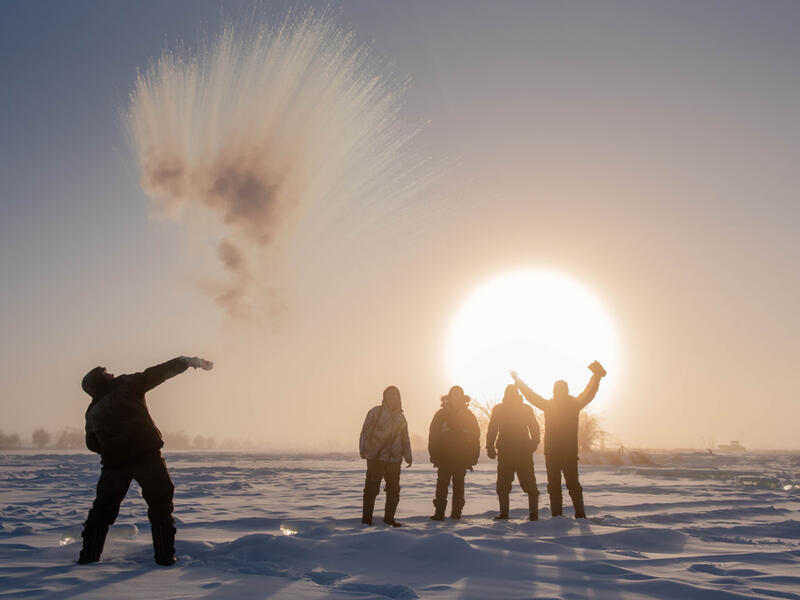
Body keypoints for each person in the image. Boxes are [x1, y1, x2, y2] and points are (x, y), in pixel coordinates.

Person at [78, 355, 213, 565]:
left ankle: (88, 557)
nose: (111, 374)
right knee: (160, 506)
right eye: (106, 373)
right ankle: (165, 558)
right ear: (101, 380)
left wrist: (113, 447)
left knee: (102, 511)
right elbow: (157, 373)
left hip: (114, 465)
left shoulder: (92, 411)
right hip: (146, 456)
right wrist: (187, 361)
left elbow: (92, 444)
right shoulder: (126, 385)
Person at [511, 361, 606, 519]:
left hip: (554, 453)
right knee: (571, 484)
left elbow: (531, 396)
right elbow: (589, 393)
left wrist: (518, 381)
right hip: (566, 453)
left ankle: (558, 516)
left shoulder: (551, 405)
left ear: (554, 391)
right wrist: (596, 376)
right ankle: (579, 515)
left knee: (555, 485)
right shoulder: (573, 404)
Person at [359, 386, 412, 527]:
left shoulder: (401, 418)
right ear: (384, 396)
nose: (392, 397)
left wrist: (408, 455)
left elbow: (405, 438)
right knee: (371, 489)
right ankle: (366, 520)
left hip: (394, 459)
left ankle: (389, 519)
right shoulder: (375, 412)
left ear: (399, 398)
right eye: (390, 394)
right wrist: (363, 448)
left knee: (393, 490)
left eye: (395, 395)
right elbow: (365, 431)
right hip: (376, 458)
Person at [486, 384, 541, 520]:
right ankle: (507, 514)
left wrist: (534, 443)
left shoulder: (524, 409)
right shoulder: (499, 409)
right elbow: (492, 429)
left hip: (522, 452)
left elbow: (534, 428)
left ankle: (533, 514)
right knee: (504, 485)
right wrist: (490, 447)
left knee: (527, 484)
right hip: (507, 452)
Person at [428, 386, 480, 521]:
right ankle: (439, 513)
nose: (456, 396)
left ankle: (456, 513)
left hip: (461, 457)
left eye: (458, 394)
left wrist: (474, 456)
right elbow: (433, 435)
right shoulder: (441, 414)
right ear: (449, 396)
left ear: (462, 397)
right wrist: (433, 454)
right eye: (454, 393)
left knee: (459, 486)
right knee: (441, 486)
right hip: (444, 456)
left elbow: (475, 437)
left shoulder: (468, 415)